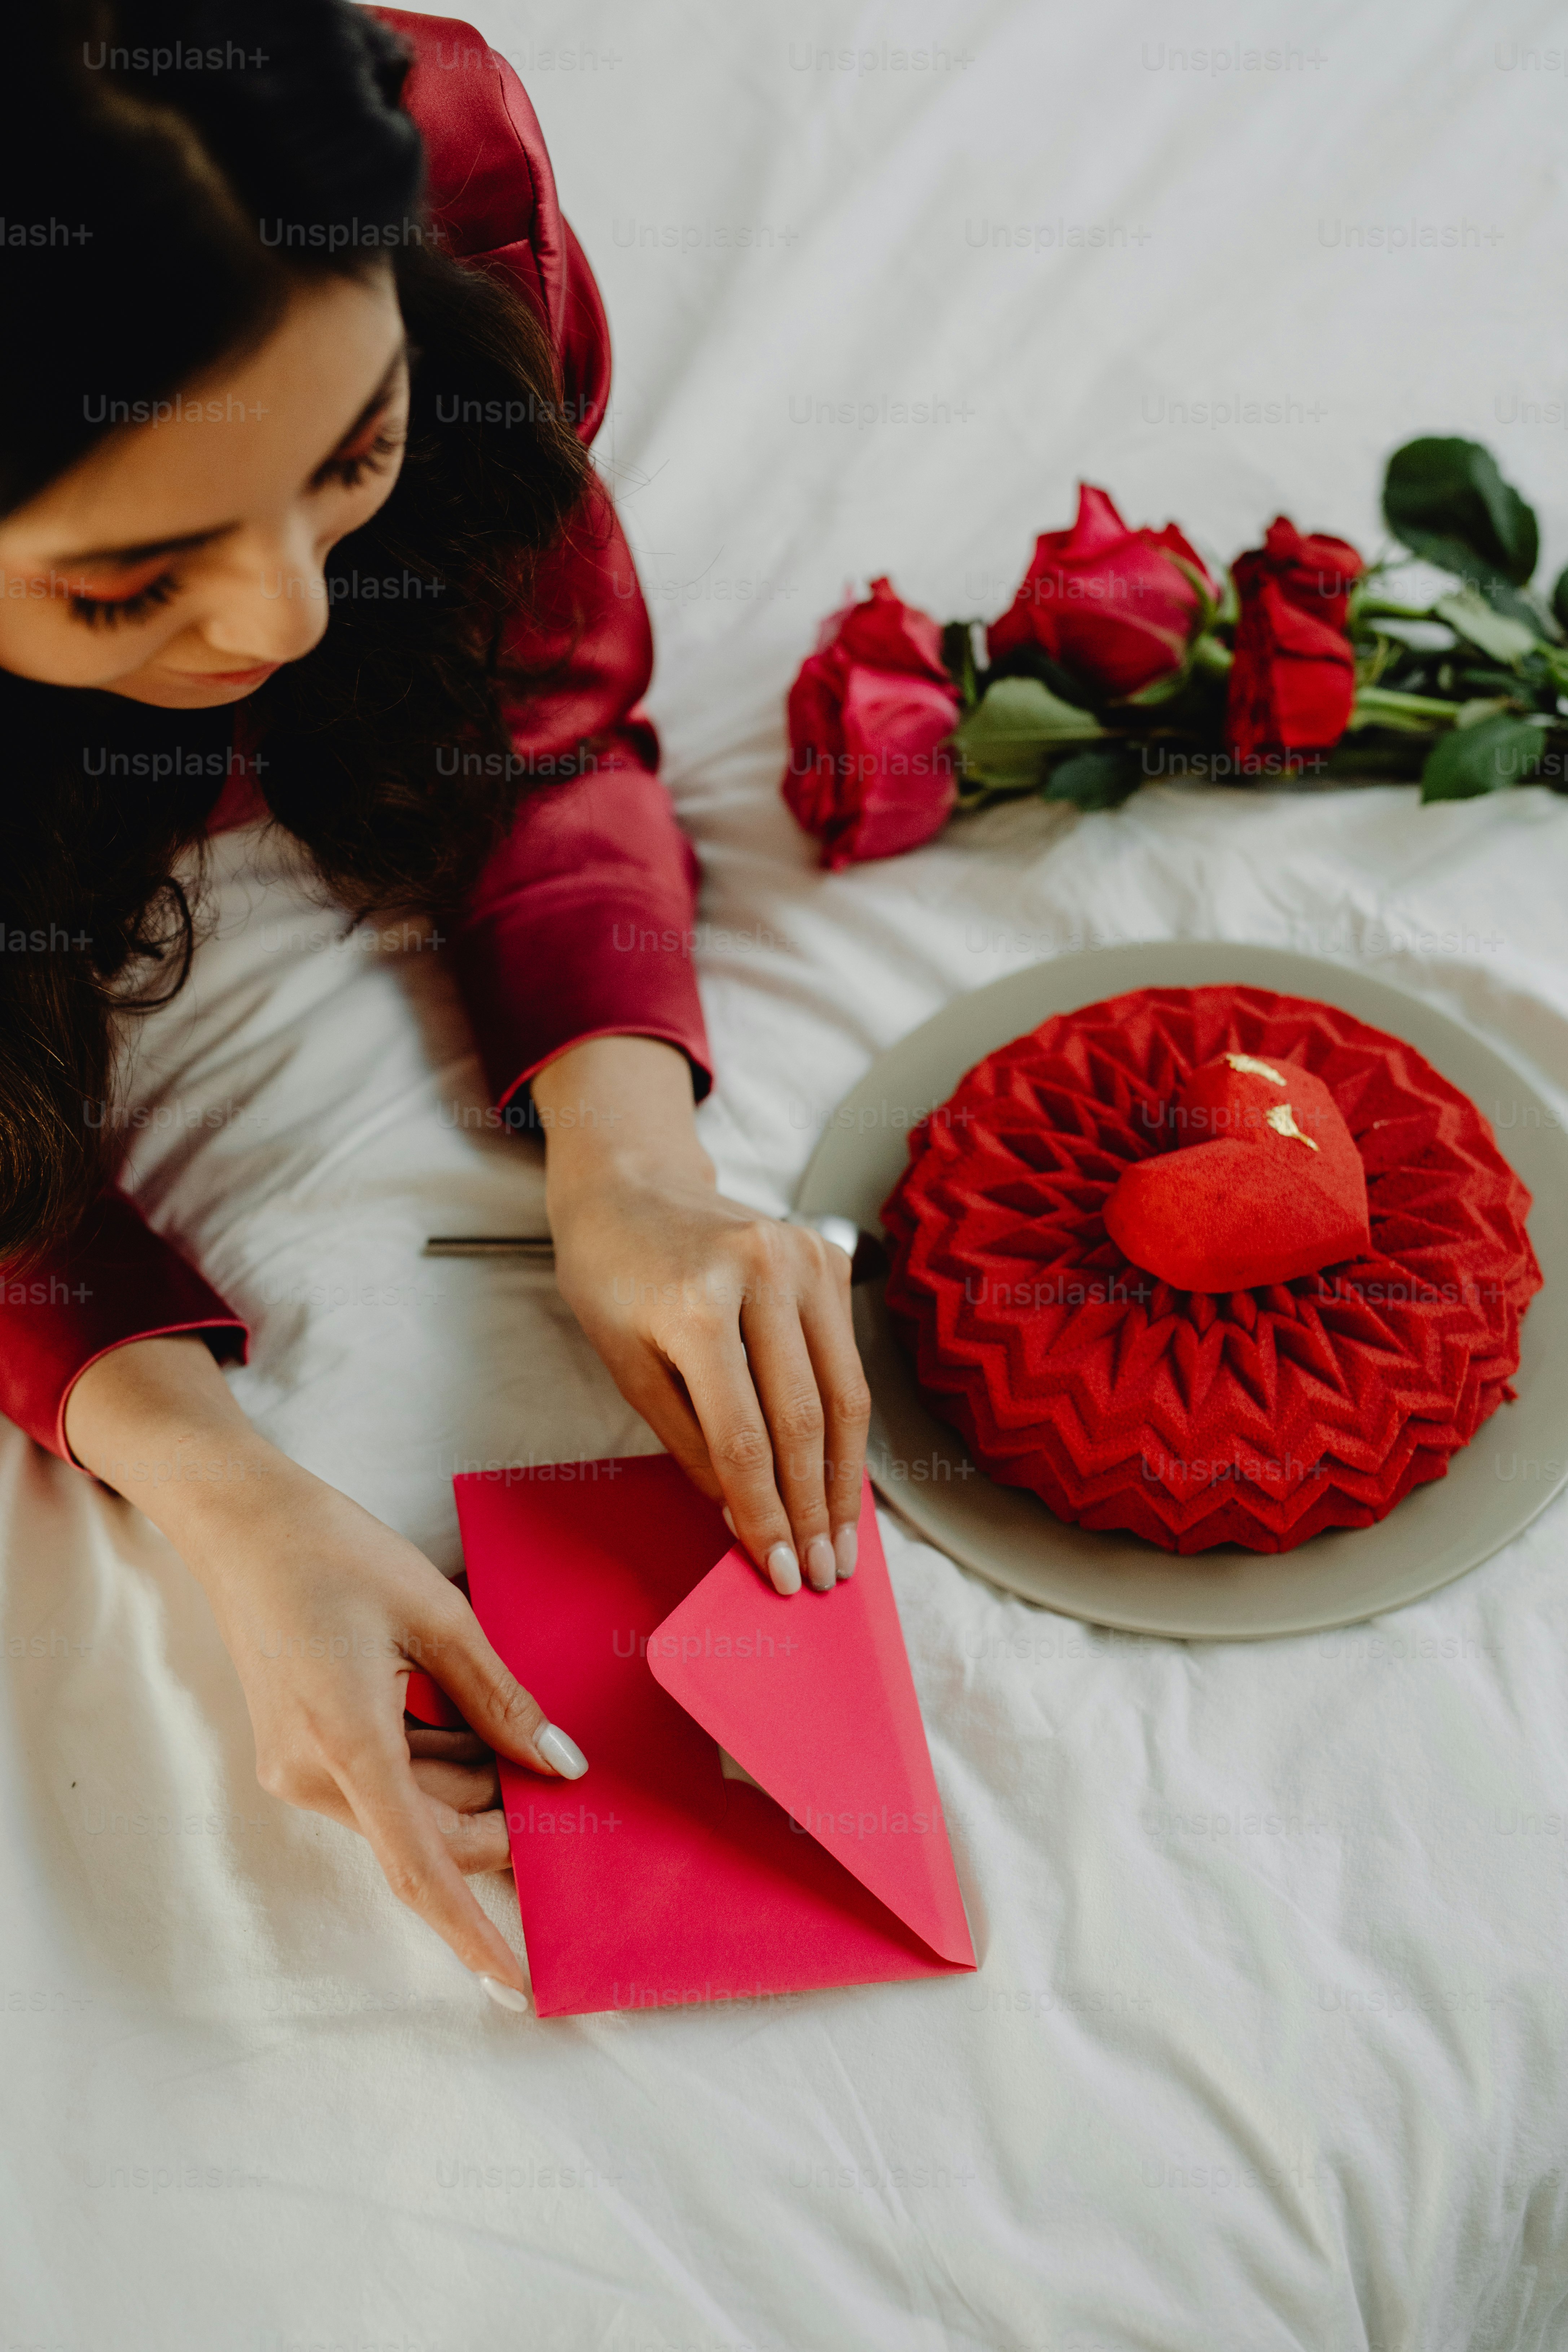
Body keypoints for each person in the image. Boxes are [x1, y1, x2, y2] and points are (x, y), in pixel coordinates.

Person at [0, 1, 869, 2010]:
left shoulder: (448, 153)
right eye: (133, 585)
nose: (293, 619)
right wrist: (219, 1491)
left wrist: (631, 1162)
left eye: (356, 452)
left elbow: (548, 704)